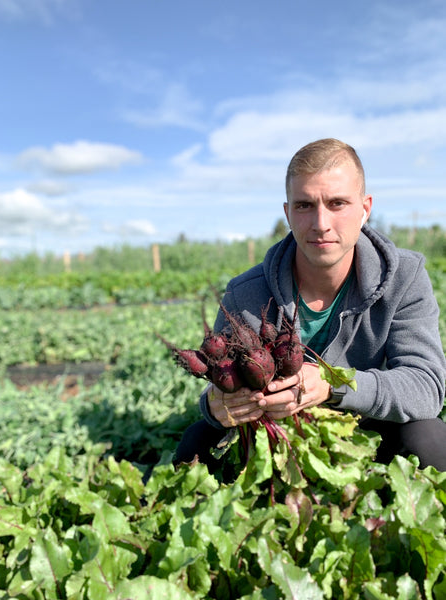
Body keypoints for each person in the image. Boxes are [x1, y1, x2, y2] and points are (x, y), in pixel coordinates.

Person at [175, 138, 446, 472]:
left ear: (365, 209)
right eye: (304, 205)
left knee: (430, 439)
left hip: (368, 432)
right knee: (196, 444)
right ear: (288, 213)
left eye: (337, 203)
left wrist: (334, 385)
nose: (320, 223)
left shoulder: (404, 277)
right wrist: (216, 407)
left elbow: (426, 386)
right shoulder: (244, 295)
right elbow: (220, 386)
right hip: (278, 442)